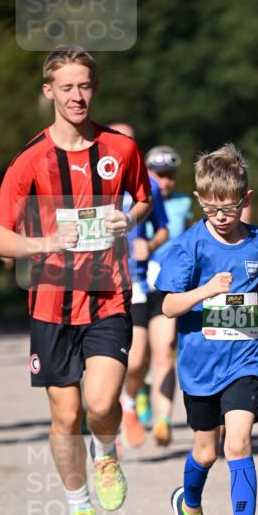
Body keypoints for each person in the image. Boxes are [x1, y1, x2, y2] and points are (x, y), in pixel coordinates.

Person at [0, 46, 151, 515]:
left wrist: (132, 218)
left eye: (84, 86)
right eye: (66, 88)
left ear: (94, 88)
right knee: (65, 416)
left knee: (101, 403)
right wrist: (44, 243)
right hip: (50, 303)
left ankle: (106, 452)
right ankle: (81, 510)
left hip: (107, 296)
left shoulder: (120, 149)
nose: (76, 96)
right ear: (49, 92)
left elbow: (143, 198)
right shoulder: (30, 160)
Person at [156, 144, 258, 515]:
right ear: (198, 199)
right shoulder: (188, 245)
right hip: (200, 365)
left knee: (238, 442)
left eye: (228, 208)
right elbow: (170, 307)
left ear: (245, 199)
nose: (220, 217)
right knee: (206, 451)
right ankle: (188, 506)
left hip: (244, 359)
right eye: (210, 208)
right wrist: (206, 291)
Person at [106, 126, 170, 448]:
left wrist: (150, 243)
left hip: (141, 281)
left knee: (144, 355)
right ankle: (117, 408)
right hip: (105, 281)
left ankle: (130, 404)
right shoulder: (92, 182)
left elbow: (163, 229)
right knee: (123, 359)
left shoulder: (148, 185)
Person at [136, 145, 195, 446]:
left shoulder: (185, 202)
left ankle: (163, 419)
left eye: (170, 175)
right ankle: (136, 395)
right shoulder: (140, 199)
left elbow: (186, 235)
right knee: (137, 357)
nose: (165, 181)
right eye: (159, 174)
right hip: (138, 282)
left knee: (164, 351)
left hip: (168, 285)